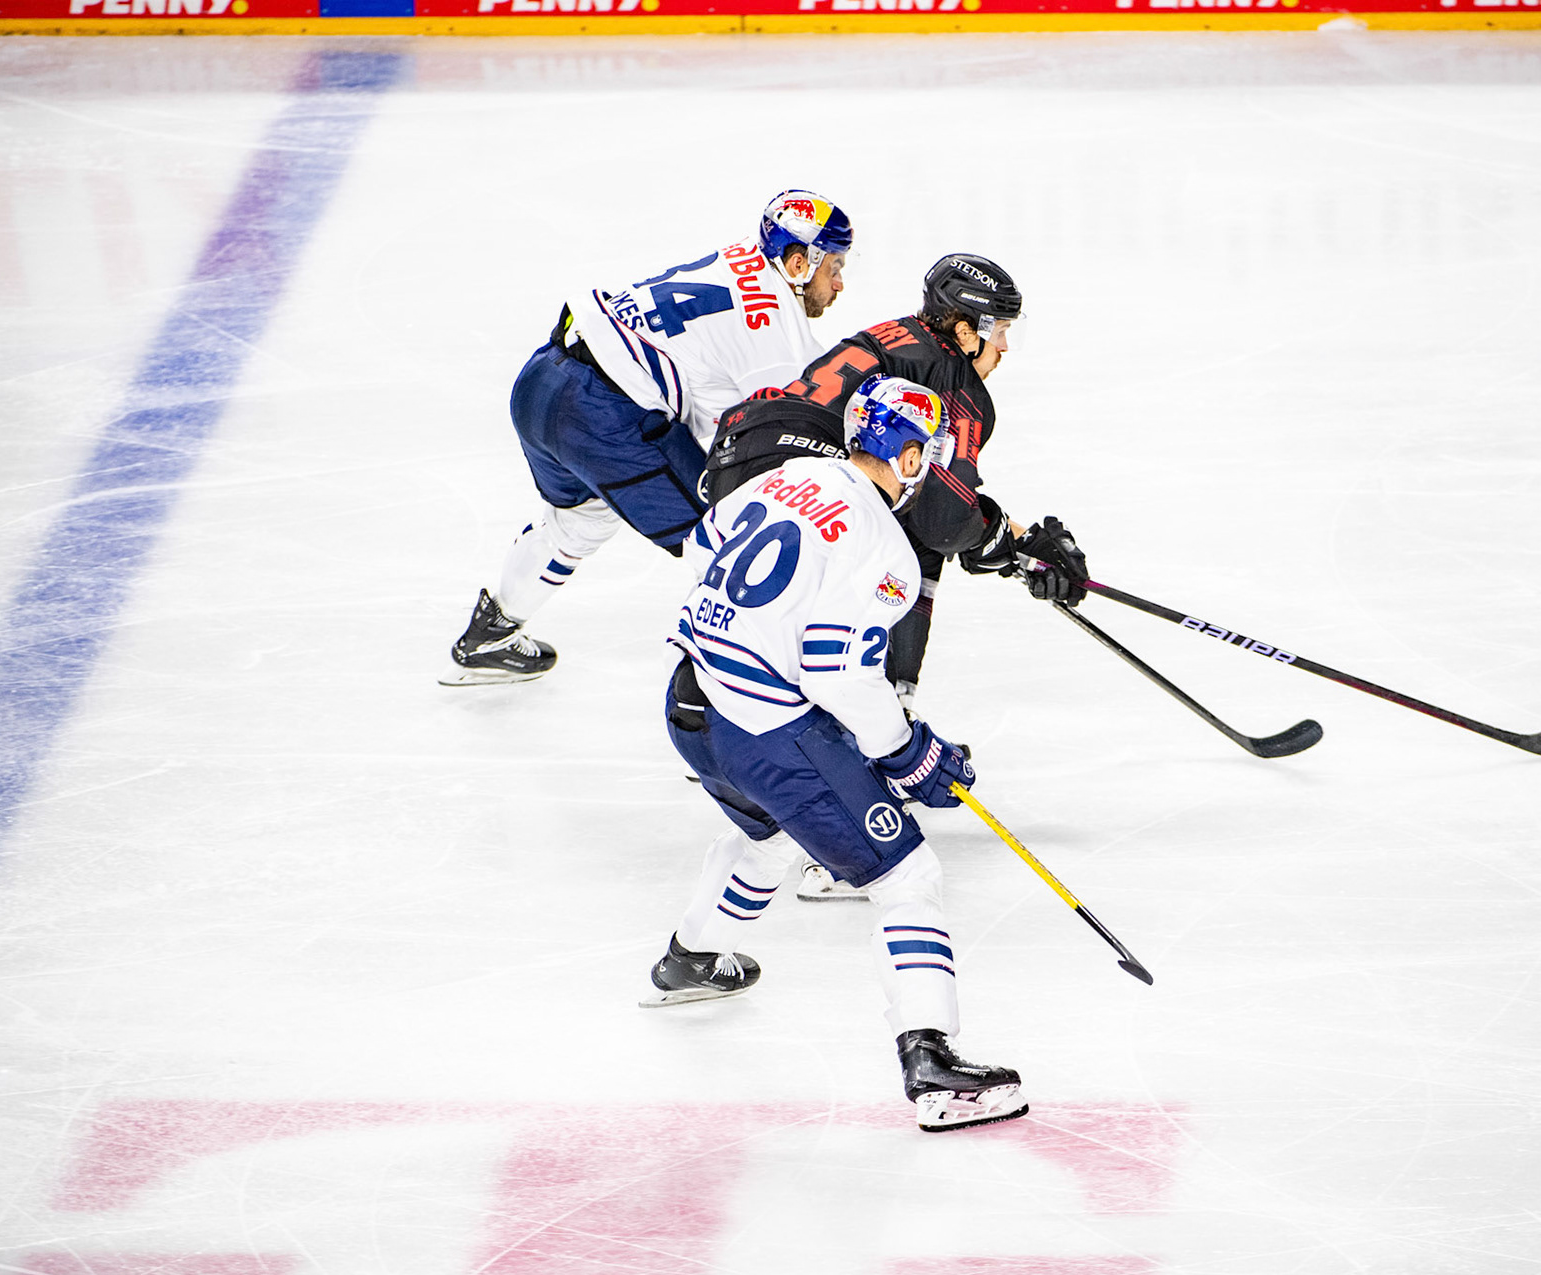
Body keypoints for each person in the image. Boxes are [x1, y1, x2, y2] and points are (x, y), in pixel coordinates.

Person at [642, 374, 1029, 1134]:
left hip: (688, 698)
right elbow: (837, 669)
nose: (928, 466)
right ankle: (931, 1064)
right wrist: (908, 752)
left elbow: (703, 541)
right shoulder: (883, 547)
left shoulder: (791, 477)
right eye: (923, 451)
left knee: (770, 831)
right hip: (763, 729)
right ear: (903, 451)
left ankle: (691, 959)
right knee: (908, 874)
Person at [702, 253, 1090, 899]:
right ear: (964, 328)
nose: (1002, 347)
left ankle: (749, 722)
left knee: (796, 598)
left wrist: (1003, 535)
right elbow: (944, 516)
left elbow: (940, 498)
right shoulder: (957, 384)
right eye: (996, 330)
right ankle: (869, 761)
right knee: (907, 560)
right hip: (818, 469)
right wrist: (1017, 547)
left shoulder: (893, 337)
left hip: (740, 458)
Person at [440, 191, 854, 685]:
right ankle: (735, 714)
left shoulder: (742, 256)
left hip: (543, 379)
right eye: (835, 265)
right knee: (731, 541)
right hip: (603, 416)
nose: (840, 283)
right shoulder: (775, 337)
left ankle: (492, 632)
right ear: (798, 262)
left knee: (579, 524)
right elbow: (782, 440)